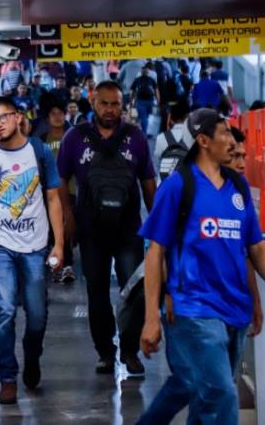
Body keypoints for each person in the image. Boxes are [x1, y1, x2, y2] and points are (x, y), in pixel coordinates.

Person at [138, 108, 265, 425]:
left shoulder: (237, 188)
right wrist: (151, 318)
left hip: (234, 309)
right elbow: (155, 252)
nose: (231, 139)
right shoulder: (176, 187)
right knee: (223, 393)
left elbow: (255, 247)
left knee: (203, 396)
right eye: (224, 133)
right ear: (203, 140)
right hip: (194, 308)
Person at [57, 80, 157, 376]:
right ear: (93, 103)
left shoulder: (135, 137)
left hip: (129, 230)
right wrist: (68, 216)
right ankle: (104, 352)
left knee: (134, 291)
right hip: (91, 230)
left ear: (122, 105)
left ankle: (129, 350)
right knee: (97, 293)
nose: (110, 110)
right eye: (104, 103)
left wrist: (157, 222)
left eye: (115, 104)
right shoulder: (75, 137)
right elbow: (61, 178)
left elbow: (148, 181)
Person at [0, 96, 64, 405]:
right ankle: (7, 377)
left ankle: (32, 355)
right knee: (5, 310)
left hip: (36, 247)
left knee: (37, 315)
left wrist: (60, 243)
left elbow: (53, 198)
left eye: (3, 117)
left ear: (17, 117)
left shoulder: (39, 152)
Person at [40, 102, 77, 284]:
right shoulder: (41, 139)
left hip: (70, 190)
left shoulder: (72, 137)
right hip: (47, 192)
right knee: (53, 228)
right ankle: (59, 265)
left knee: (68, 227)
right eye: (53, 113)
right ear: (47, 118)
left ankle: (65, 264)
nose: (57, 117)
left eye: (60, 113)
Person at [153, 99, 190, 179]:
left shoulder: (161, 138)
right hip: (188, 185)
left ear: (171, 119)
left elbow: (156, 165)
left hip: (165, 183)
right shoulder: (195, 138)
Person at [130, 63, 159, 137]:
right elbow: (156, 91)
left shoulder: (137, 80)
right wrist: (158, 101)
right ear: (148, 72)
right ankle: (145, 133)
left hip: (140, 100)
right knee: (146, 117)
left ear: (141, 72)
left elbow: (132, 91)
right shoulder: (151, 80)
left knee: (143, 117)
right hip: (150, 101)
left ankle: (143, 132)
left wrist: (131, 101)